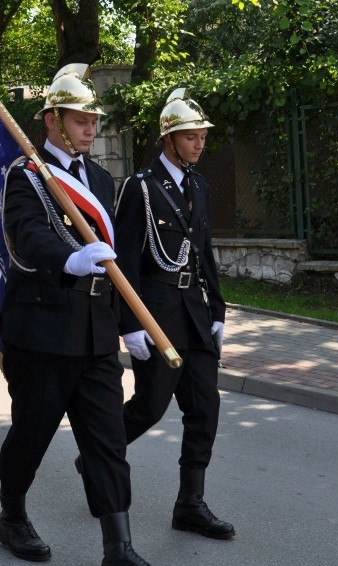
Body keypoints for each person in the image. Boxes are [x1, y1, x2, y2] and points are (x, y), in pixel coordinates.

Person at [0, 64, 149, 565]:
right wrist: (68, 259)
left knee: (107, 441)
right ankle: (12, 514)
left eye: (92, 120)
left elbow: (117, 256)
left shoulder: (101, 178)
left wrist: (130, 324)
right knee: (32, 434)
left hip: (96, 332)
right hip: (42, 330)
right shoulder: (27, 175)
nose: (91, 128)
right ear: (52, 121)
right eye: (81, 120)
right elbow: (27, 236)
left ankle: (118, 547)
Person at [112, 88, 234, 540]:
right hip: (157, 314)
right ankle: (101, 456)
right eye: (191, 136)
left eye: (202, 135)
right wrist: (131, 324)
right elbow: (124, 262)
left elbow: (205, 254)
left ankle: (190, 504)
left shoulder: (200, 186)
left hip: (196, 313)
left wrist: (218, 312)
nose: (200, 142)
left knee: (205, 407)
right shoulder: (140, 189)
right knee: (150, 405)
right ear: (169, 140)